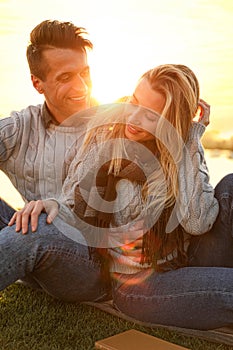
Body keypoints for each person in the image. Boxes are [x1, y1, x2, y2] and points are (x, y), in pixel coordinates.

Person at [23, 63, 233, 331]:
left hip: (186, 261)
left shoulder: (181, 150)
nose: (133, 119)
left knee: (230, 185)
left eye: (150, 116)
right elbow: (74, 201)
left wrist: (191, 139)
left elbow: (197, 222)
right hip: (139, 287)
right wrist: (51, 205)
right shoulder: (109, 140)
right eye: (134, 102)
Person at [0, 19, 111, 302]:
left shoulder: (113, 129)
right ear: (38, 83)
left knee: (39, 227)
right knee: (35, 227)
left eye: (85, 73)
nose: (82, 86)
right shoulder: (21, 127)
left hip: (90, 268)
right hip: (30, 251)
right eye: (66, 77)